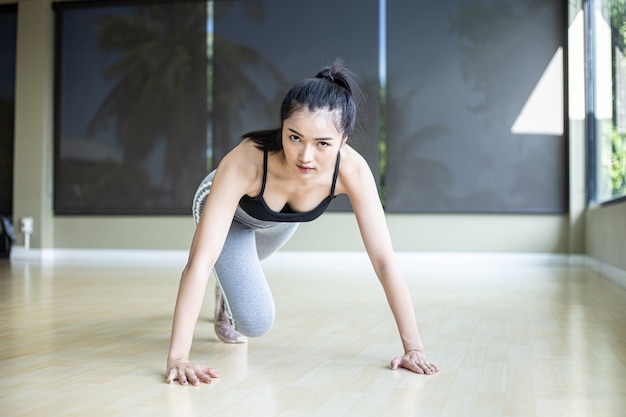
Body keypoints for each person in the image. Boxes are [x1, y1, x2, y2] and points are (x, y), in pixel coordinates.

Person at [165, 59, 439, 385]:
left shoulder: (352, 171)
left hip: (280, 221)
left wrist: (414, 348)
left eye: (322, 143)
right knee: (254, 323)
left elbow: (384, 261)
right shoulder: (245, 162)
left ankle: (229, 285)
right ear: (282, 127)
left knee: (247, 267)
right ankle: (228, 285)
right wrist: (178, 357)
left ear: (344, 140)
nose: (305, 157)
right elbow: (198, 263)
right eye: (294, 137)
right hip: (232, 214)